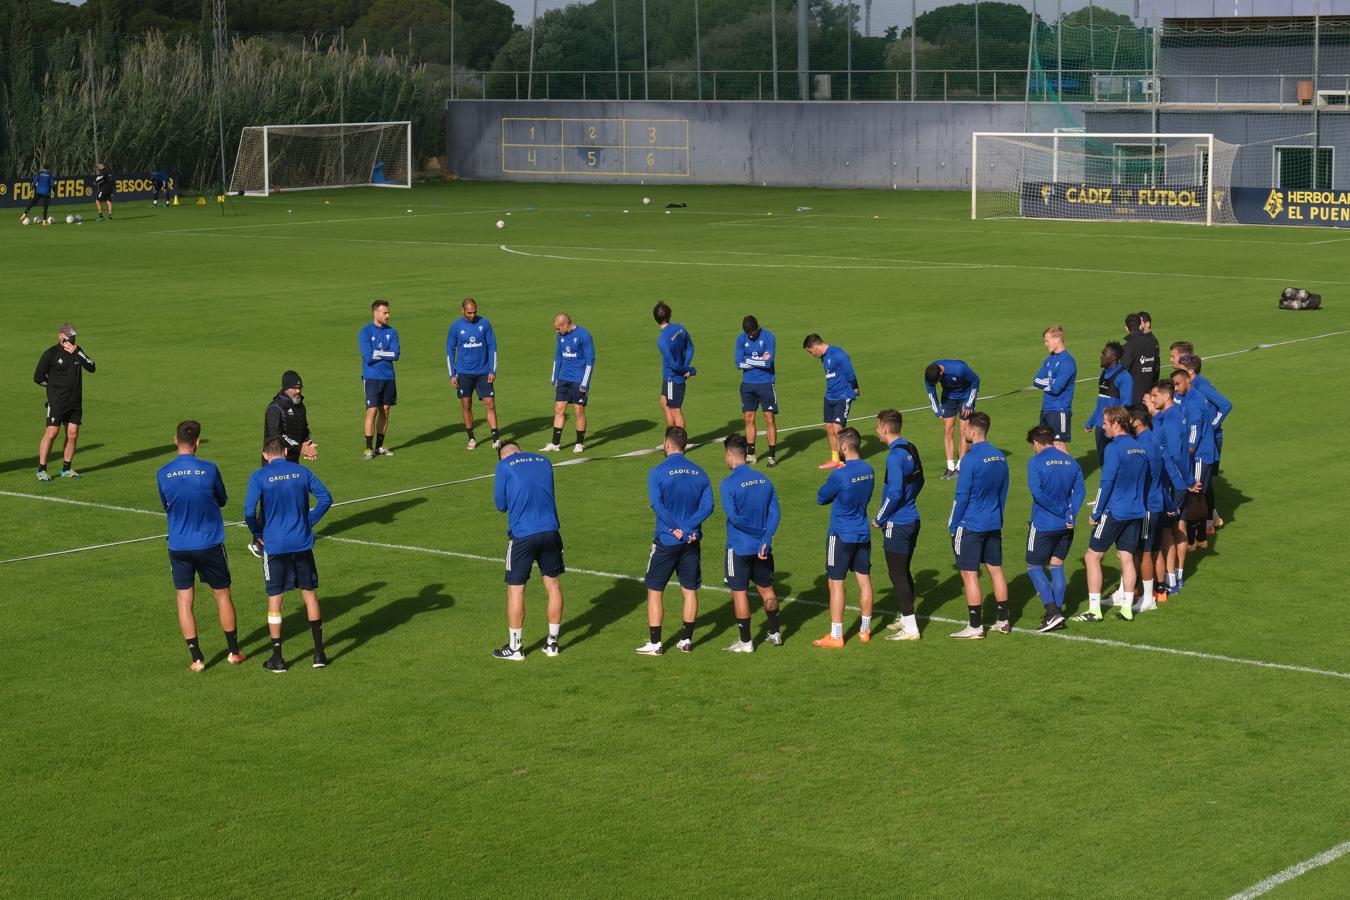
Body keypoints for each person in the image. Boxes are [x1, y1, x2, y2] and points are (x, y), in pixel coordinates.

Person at [156, 420, 245, 671]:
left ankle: (196, 658)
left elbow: (166, 505)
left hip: (179, 545)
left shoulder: (163, 473)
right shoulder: (209, 469)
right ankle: (234, 652)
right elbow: (222, 500)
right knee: (222, 594)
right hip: (209, 543)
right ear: (197, 442)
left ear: (175, 440)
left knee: (184, 599)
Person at [244, 438, 334, 672]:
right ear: (285, 451)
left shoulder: (259, 476)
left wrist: (257, 532)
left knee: (275, 598)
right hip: (301, 543)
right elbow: (326, 499)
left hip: (274, 545)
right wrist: (308, 522)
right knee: (309, 594)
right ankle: (319, 654)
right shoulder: (302, 471)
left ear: (265, 455)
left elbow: (248, 511)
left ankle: (278, 658)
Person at [636, 426, 714, 655]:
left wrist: (676, 528)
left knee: (654, 590)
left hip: (667, 540)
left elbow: (657, 505)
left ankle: (656, 643)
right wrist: (689, 528)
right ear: (685, 446)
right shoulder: (700, 473)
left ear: (667, 444)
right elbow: (708, 506)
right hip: (691, 541)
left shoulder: (658, 472)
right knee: (689, 590)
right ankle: (686, 640)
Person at [492, 442, 565, 660]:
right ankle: (552, 644)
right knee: (553, 585)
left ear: (503, 456)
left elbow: (500, 504)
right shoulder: (544, 461)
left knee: (516, 590)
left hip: (523, 534)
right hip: (551, 530)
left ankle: (515, 648)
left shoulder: (504, 466)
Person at [1074, 406, 1147, 623]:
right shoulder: (1139, 448)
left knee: (1092, 556)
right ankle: (1126, 608)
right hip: (1136, 510)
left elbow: (1106, 483)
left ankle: (1094, 610)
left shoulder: (1113, 449)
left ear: (1116, 423)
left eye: (1106, 423)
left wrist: (1096, 513)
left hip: (1115, 510)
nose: (1103, 427)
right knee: (1126, 558)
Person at [947, 412, 1010, 639]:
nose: (962, 432)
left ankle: (975, 626)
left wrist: (953, 525)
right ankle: (1003, 620)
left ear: (973, 431)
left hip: (971, 523)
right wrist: (998, 516)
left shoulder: (970, 459)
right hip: (994, 521)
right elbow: (1004, 491)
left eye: (964, 429)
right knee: (995, 569)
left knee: (969, 573)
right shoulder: (1000, 456)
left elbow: (961, 495)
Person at [719, 434, 783, 652]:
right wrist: (766, 536)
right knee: (767, 591)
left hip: (739, 547)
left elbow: (735, 518)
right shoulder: (764, 480)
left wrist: (758, 531)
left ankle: (746, 642)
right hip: (763, 547)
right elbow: (775, 511)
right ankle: (775, 633)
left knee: (739, 594)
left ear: (729, 454)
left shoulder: (728, 484)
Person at [813, 427, 875, 647]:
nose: (836, 448)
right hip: (862, 532)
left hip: (840, 534)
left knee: (836, 583)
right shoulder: (869, 469)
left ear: (846, 446)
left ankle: (837, 635)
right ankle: (865, 631)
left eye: (838, 445)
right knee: (864, 581)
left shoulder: (840, 473)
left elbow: (821, 497)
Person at [1024, 424, 1084, 633]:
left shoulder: (1035, 462)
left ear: (1036, 443)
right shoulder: (1071, 462)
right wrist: (1070, 513)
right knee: (1057, 565)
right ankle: (1057, 613)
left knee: (1033, 567)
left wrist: (1058, 510)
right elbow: (1080, 492)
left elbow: (1037, 493)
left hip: (1042, 523)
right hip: (1066, 525)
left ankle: (1052, 612)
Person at [872, 409, 925, 642]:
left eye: (877, 427)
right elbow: (920, 479)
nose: (876, 431)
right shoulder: (910, 447)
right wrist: (911, 498)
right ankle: (906, 618)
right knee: (903, 571)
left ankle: (912, 628)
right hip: (913, 519)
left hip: (897, 522)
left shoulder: (894, 457)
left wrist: (880, 518)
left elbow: (893, 493)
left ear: (885, 428)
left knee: (896, 574)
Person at [1177, 353, 1233, 535]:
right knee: (1202, 485)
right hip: (1199, 440)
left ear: (1190, 373)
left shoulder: (1201, 386)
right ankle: (1210, 519)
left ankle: (1205, 524)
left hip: (1207, 443)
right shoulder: (1190, 387)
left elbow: (1225, 405)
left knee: (1201, 486)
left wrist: (1211, 426)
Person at [33, 323, 95, 481]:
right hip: (57, 402)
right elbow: (38, 378)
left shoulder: (77, 351)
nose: (72, 341)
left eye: (73, 338)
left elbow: (92, 367)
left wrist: (78, 353)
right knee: (52, 433)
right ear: (60, 336)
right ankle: (42, 470)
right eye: (69, 338)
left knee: (73, 434)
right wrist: (52, 388)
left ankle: (66, 468)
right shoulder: (50, 354)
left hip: (75, 403)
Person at [1145, 379, 1190, 598]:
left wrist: (1187, 480)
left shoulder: (1171, 420)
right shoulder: (1171, 414)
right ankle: (1177, 577)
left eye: (1154, 396)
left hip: (1172, 481)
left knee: (1167, 530)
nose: (1152, 400)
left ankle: (1171, 580)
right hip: (1174, 480)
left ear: (1166, 396)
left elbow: (1175, 454)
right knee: (1176, 525)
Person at [1170, 367, 1218, 551]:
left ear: (1188, 380)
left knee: (1194, 493)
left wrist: (1184, 455)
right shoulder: (1189, 396)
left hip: (1199, 455)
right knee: (1199, 494)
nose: (1175, 388)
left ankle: (1194, 539)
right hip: (1201, 453)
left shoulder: (1194, 404)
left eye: (1178, 384)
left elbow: (1194, 435)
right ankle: (1201, 536)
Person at [1126, 404, 1166, 614]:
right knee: (1139, 551)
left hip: (1148, 505)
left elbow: (1142, 477)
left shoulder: (1145, 444)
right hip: (1151, 502)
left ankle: (1148, 597)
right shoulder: (1148, 440)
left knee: (1145, 552)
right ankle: (1135, 592)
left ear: (1137, 422)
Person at [447, 297, 500, 451]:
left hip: (483, 372)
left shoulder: (484, 324)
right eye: (469, 312)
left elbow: (492, 346)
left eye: (474, 312)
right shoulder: (455, 327)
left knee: (490, 404)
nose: (472, 315)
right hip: (463, 373)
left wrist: (492, 370)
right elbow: (450, 351)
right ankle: (471, 437)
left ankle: (496, 438)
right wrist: (452, 374)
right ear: (462, 310)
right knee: (466, 404)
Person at [802, 333, 860, 470]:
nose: (812, 355)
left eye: (810, 352)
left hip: (842, 396)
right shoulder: (824, 357)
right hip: (830, 396)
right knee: (829, 428)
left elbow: (850, 373)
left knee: (838, 429)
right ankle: (835, 460)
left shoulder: (838, 353)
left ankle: (846, 460)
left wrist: (855, 387)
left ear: (815, 346)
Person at [543, 313, 594, 453]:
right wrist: (555, 376)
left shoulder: (584, 335)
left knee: (579, 410)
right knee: (559, 410)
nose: (557, 331)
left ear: (565, 325)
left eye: (558, 328)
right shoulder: (560, 336)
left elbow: (590, 360)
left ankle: (579, 443)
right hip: (564, 378)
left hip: (578, 379)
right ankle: (555, 443)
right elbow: (558, 356)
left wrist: (585, 383)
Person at [923, 358, 980, 479]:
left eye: (938, 381)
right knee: (948, 430)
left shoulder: (959, 369)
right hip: (949, 398)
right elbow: (930, 391)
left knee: (964, 431)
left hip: (966, 397)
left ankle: (960, 467)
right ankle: (950, 467)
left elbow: (975, 381)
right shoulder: (930, 373)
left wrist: (969, 403)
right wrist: (936, 409)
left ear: (941, 373)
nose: (937, 383)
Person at [359, 299, 400, 459]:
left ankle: (379, 446)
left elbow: (396, 355)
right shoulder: (366, 332)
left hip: (388, 377)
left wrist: (378, 353)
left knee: (385, 410)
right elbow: (368, 356)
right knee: (372, 410)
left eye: (388, 312)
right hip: (371, 377)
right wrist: (386, 355)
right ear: (375, 313)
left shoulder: (392, 332)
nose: (388, 315)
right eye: (385, 313)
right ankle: (368, 448)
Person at [736, 315, 778, 466]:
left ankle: (772, 456)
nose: (751, 336)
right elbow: (738, 363)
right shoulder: (741, 339)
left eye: (753, 333)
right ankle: (751, 454)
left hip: (765, 383)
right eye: (749, 334)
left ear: (758, 327)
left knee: (769, 418)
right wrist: (760, 360)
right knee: (749, 418)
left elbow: (768, 364)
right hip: (747, 384)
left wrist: (748, 360)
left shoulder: (769, 337)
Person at [1084, 341, 1132, 466]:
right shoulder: (1104, 374)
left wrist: (1115, 424)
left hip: (1113, 427)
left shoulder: (1124, 377)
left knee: (1115, 462)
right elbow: (1100, 402)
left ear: (1114, 357)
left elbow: (1126, 404)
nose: (1101, 356)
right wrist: (1090, 422)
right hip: (1101, 426)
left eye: (1104, 354)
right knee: (1103, 462)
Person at [1032, 326, 1076, 452]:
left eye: (1047, 340)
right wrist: (1052, 382)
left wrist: (1050, 383)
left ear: (1058, 339)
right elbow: (1036, 381)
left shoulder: (1067, 362)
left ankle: (1073, 471)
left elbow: (1056, 389)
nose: (1046, 344)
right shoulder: (1049, 359)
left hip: (1059, 410)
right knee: (1043, 445)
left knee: (1058, 445)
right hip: (1046, 409)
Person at [654, 301, 696, 430]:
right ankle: (669, 438)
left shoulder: (662, 341)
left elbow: (673, 365)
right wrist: (686, 367)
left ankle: (678, 442)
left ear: (655, 318)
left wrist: (689, 370)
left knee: (675, 410)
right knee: (663, 402)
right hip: (671, 376)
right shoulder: (680, 328)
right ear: (669, 315)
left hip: (672, 378)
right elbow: (690, 348)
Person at [264, 370, 317, 464]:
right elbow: (276, 437)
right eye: (294, 388)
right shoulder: (275, 408)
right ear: (286, 388)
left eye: (300, 388)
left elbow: (303, 428)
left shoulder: (300, 406)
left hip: (293, 461)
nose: (298, 391)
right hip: (274, 463)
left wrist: (308, 442)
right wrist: (300, 448)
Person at [1120, 313, 1158, 405]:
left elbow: (1123, 371)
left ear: (1126, 328)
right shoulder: (1151, 343)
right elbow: (1156, 369)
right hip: (1148, 395)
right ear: (1140, 325)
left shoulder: (1128, 346)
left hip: (1132, 397)